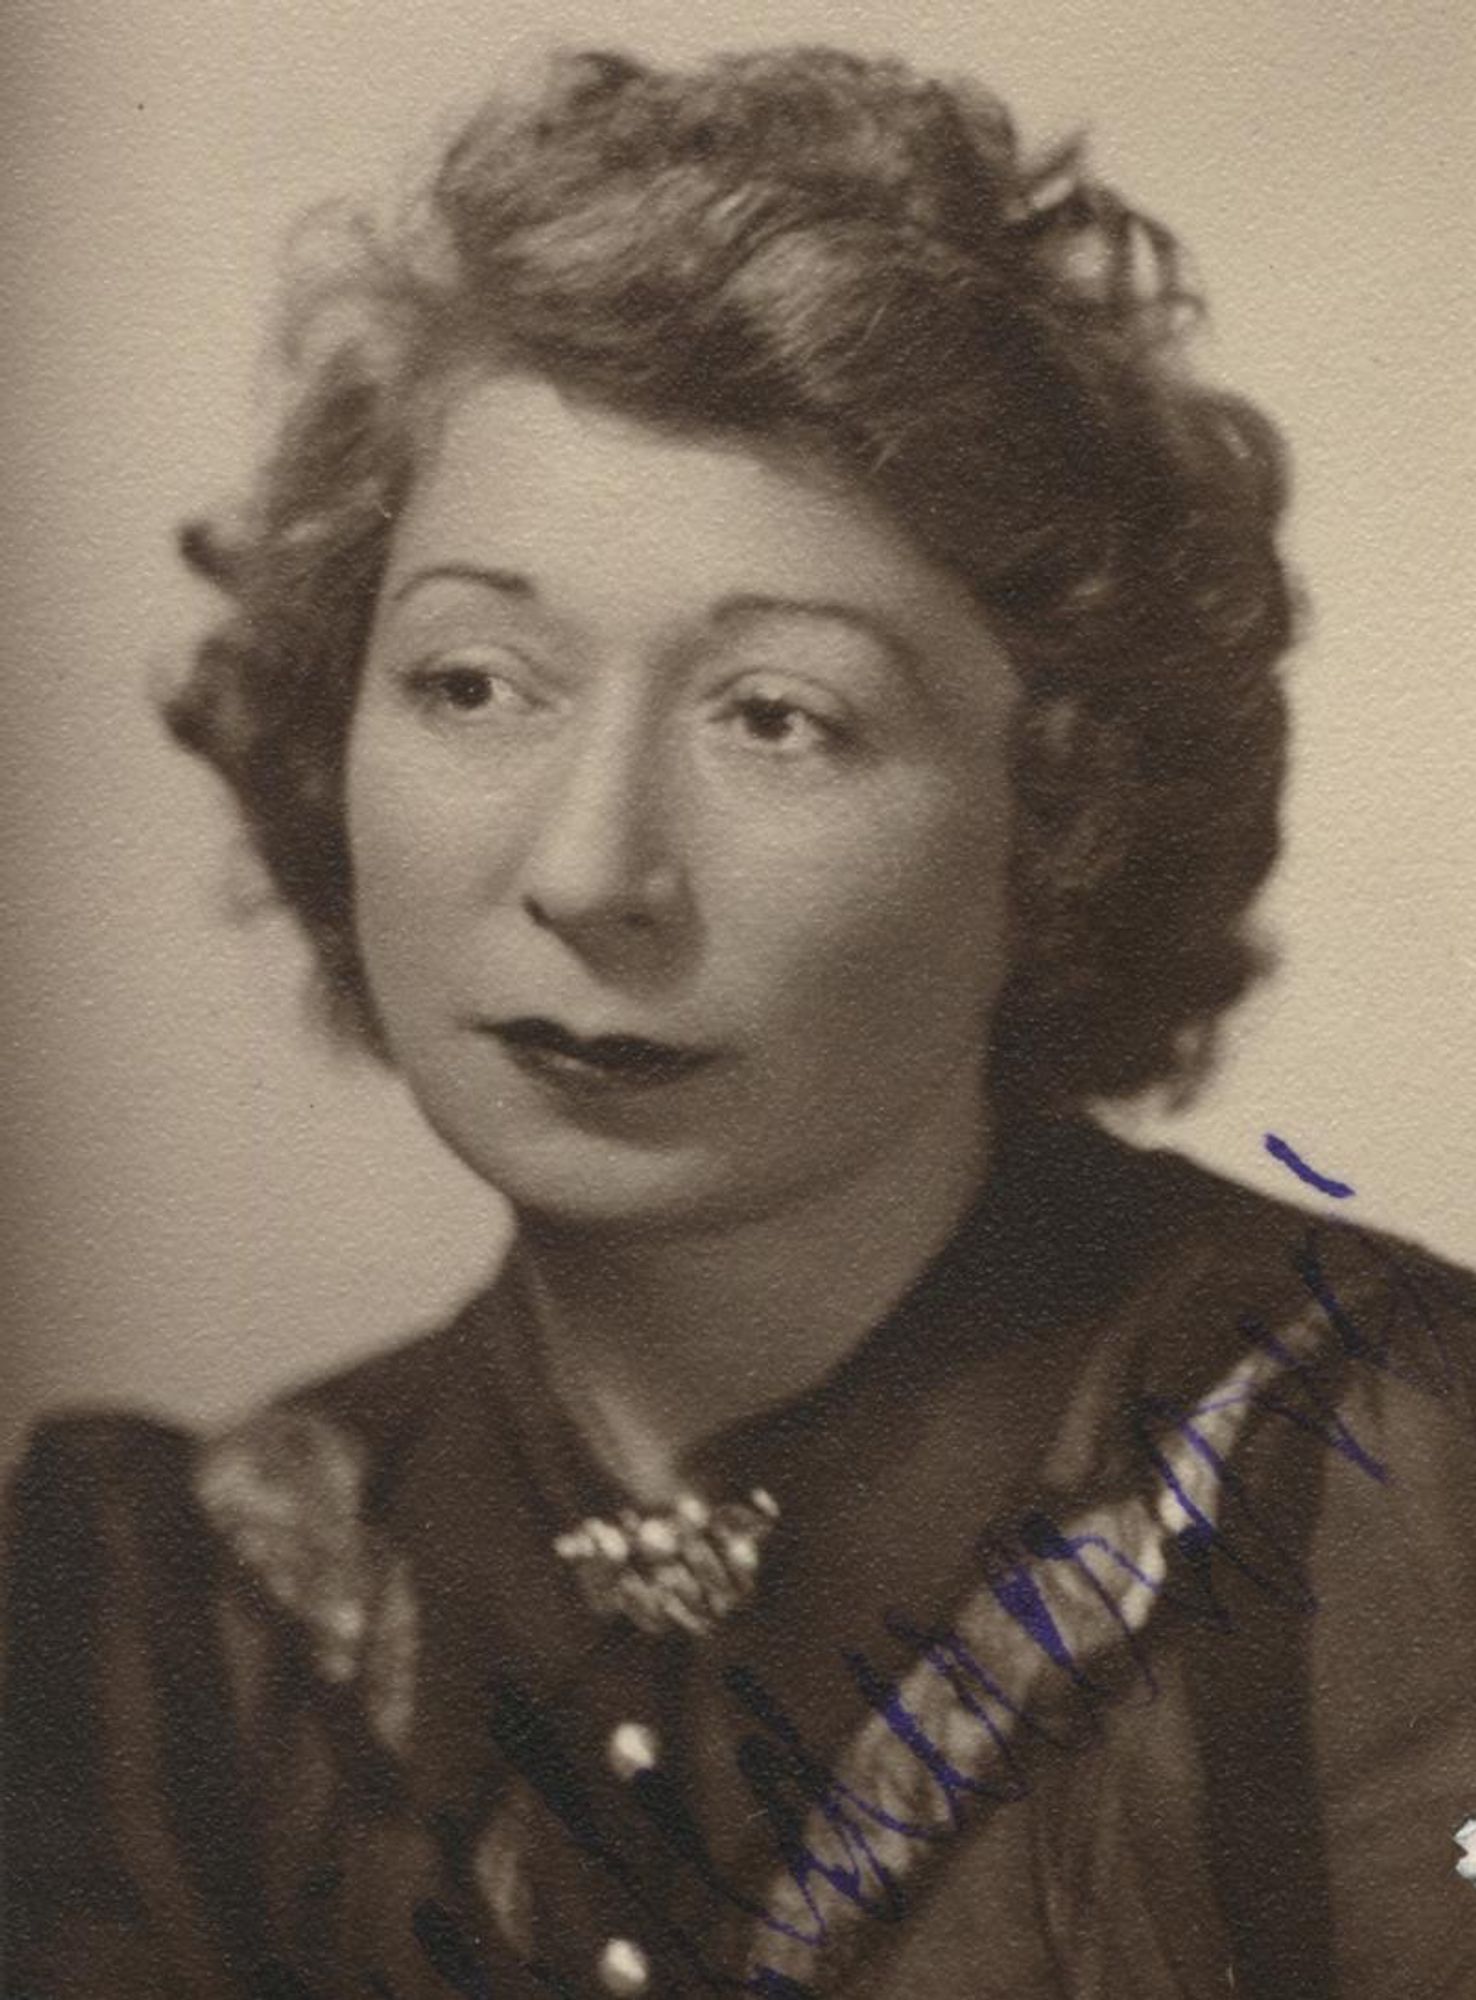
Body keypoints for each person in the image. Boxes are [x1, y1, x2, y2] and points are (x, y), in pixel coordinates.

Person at [4, 43, 1473, 2000]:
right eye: (472, 681)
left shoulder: (1372, 1484)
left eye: (778, 713)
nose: (591, 865)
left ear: (1061, 814)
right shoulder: (167, 1623)